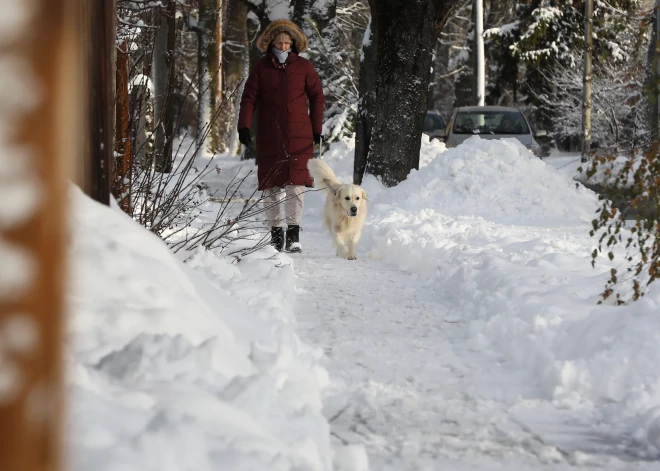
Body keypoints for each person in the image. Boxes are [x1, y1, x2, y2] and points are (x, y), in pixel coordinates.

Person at [237, 19, 325, 254]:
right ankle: (277, 235)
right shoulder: (261, 67)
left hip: (300, 135)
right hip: (270, 134)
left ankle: (294, 235)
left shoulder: (304, 67)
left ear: (293, 44)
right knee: (272, 186)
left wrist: (317, 129)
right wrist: (243, 126)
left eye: (287, 43)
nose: (283, 47)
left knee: (297, 185)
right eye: (279, 43)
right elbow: (249, 98)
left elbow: (317, 96)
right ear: (271, 44)